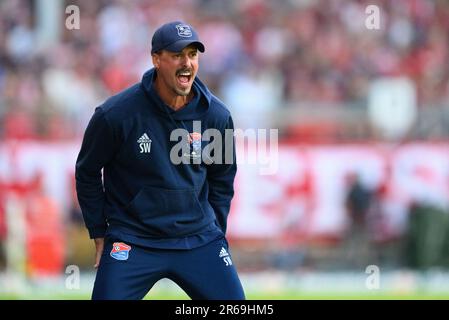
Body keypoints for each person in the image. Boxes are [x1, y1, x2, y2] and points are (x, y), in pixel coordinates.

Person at [75, 21, 245, 300]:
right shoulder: (116, 114)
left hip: (198, 239)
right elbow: (87, 171)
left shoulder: (216, 116)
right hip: (133, 239)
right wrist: (98, 230)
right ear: (156, 59)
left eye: (192, 55)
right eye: (177, 55)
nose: (186, 63)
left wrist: (217, 231)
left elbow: (223, 179)